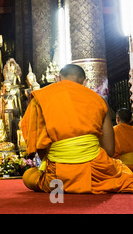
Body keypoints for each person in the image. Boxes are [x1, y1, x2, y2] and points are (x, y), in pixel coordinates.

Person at [21, 64, 133, 194]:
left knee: (28, 176)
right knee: (122, 173)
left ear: (57, 78)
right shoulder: (99, 100)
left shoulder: (40, 97)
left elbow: (38, 146)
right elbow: (109, 150)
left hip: (58, 176)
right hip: (95, 172)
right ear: (85, 82)